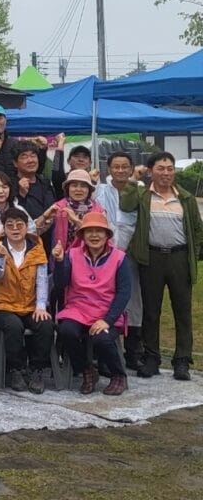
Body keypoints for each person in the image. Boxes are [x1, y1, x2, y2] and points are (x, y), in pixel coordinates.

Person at [121, 151, 203, 381]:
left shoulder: (185, 198)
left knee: (183, 311)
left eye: (169, 168)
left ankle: (182, 360)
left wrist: (191, 255)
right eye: (160, 168)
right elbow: (126, 205)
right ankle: (151, 357)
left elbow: (197, 230)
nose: (166, 173)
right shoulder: (143, 194)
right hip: (152, 257)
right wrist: (132, 179)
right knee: (151, 310)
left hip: (179, 258)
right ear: (150, 171)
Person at [54, 212, 132, 395]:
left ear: (107, 235)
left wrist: (107, 320)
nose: (94, 235)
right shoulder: (72, 254)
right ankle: (86, 370)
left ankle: (118, 375)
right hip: (78, 309)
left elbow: (124, 293)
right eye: (89, 231)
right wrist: (59, 262)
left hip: (107, 311)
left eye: (99, 231)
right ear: (82, 235)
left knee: (101, 338)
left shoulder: (120, 258)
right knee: (66, 331)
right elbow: (60, 283)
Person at [0, 208, 52, 394]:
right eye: (10, 226)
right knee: (13, 326)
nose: (15, 229)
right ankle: (14, 369)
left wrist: (41, 306)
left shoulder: (37, 249)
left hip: (30, 305)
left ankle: (37, 370)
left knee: (45, 323)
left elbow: (42, 280)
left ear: (26, 227)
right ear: (4, 229)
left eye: (19, 225)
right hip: (4, 305)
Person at [95, 151, 145, 370]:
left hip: (131, 254)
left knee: (134, 300)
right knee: (104, 300)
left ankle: (133, 351)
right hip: (104, 254)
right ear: (109, 168)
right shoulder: (100, 190)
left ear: (131, 168)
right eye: (116, 166)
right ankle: (104, 354)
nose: (121, 170)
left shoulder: (140, 191)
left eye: (125, 166)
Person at [0, 105, 44, 181]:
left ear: (6, 120)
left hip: (16, 190)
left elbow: (35, 170)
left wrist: (42, 150)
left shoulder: (15, 144)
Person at [48, 169, 104, 256]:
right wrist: (44, 217)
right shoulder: (58, 207)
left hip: (90, 258)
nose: (78, 189)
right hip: (62, 257)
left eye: (83, 186)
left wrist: (76, 221)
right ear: (68, 188)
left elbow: (102, 237)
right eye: (74, 185)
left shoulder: (98, 210)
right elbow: (36, 230)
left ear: (89, 190)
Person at [13, 141, 56, 244]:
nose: (30, 160)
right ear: (15, 163)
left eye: (33, 156)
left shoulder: (46, 183)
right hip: (26, 244)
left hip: (51, 242)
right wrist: (21, 195)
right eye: (24, 157)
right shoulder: (11, 186)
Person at [50, 134, 96, 200]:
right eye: (76, 156)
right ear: (68, 161)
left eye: (85, 157)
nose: (81, 160)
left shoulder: (93, 181)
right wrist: (60, 145)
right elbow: (57, 171)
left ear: (90, 163)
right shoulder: (64, 179)